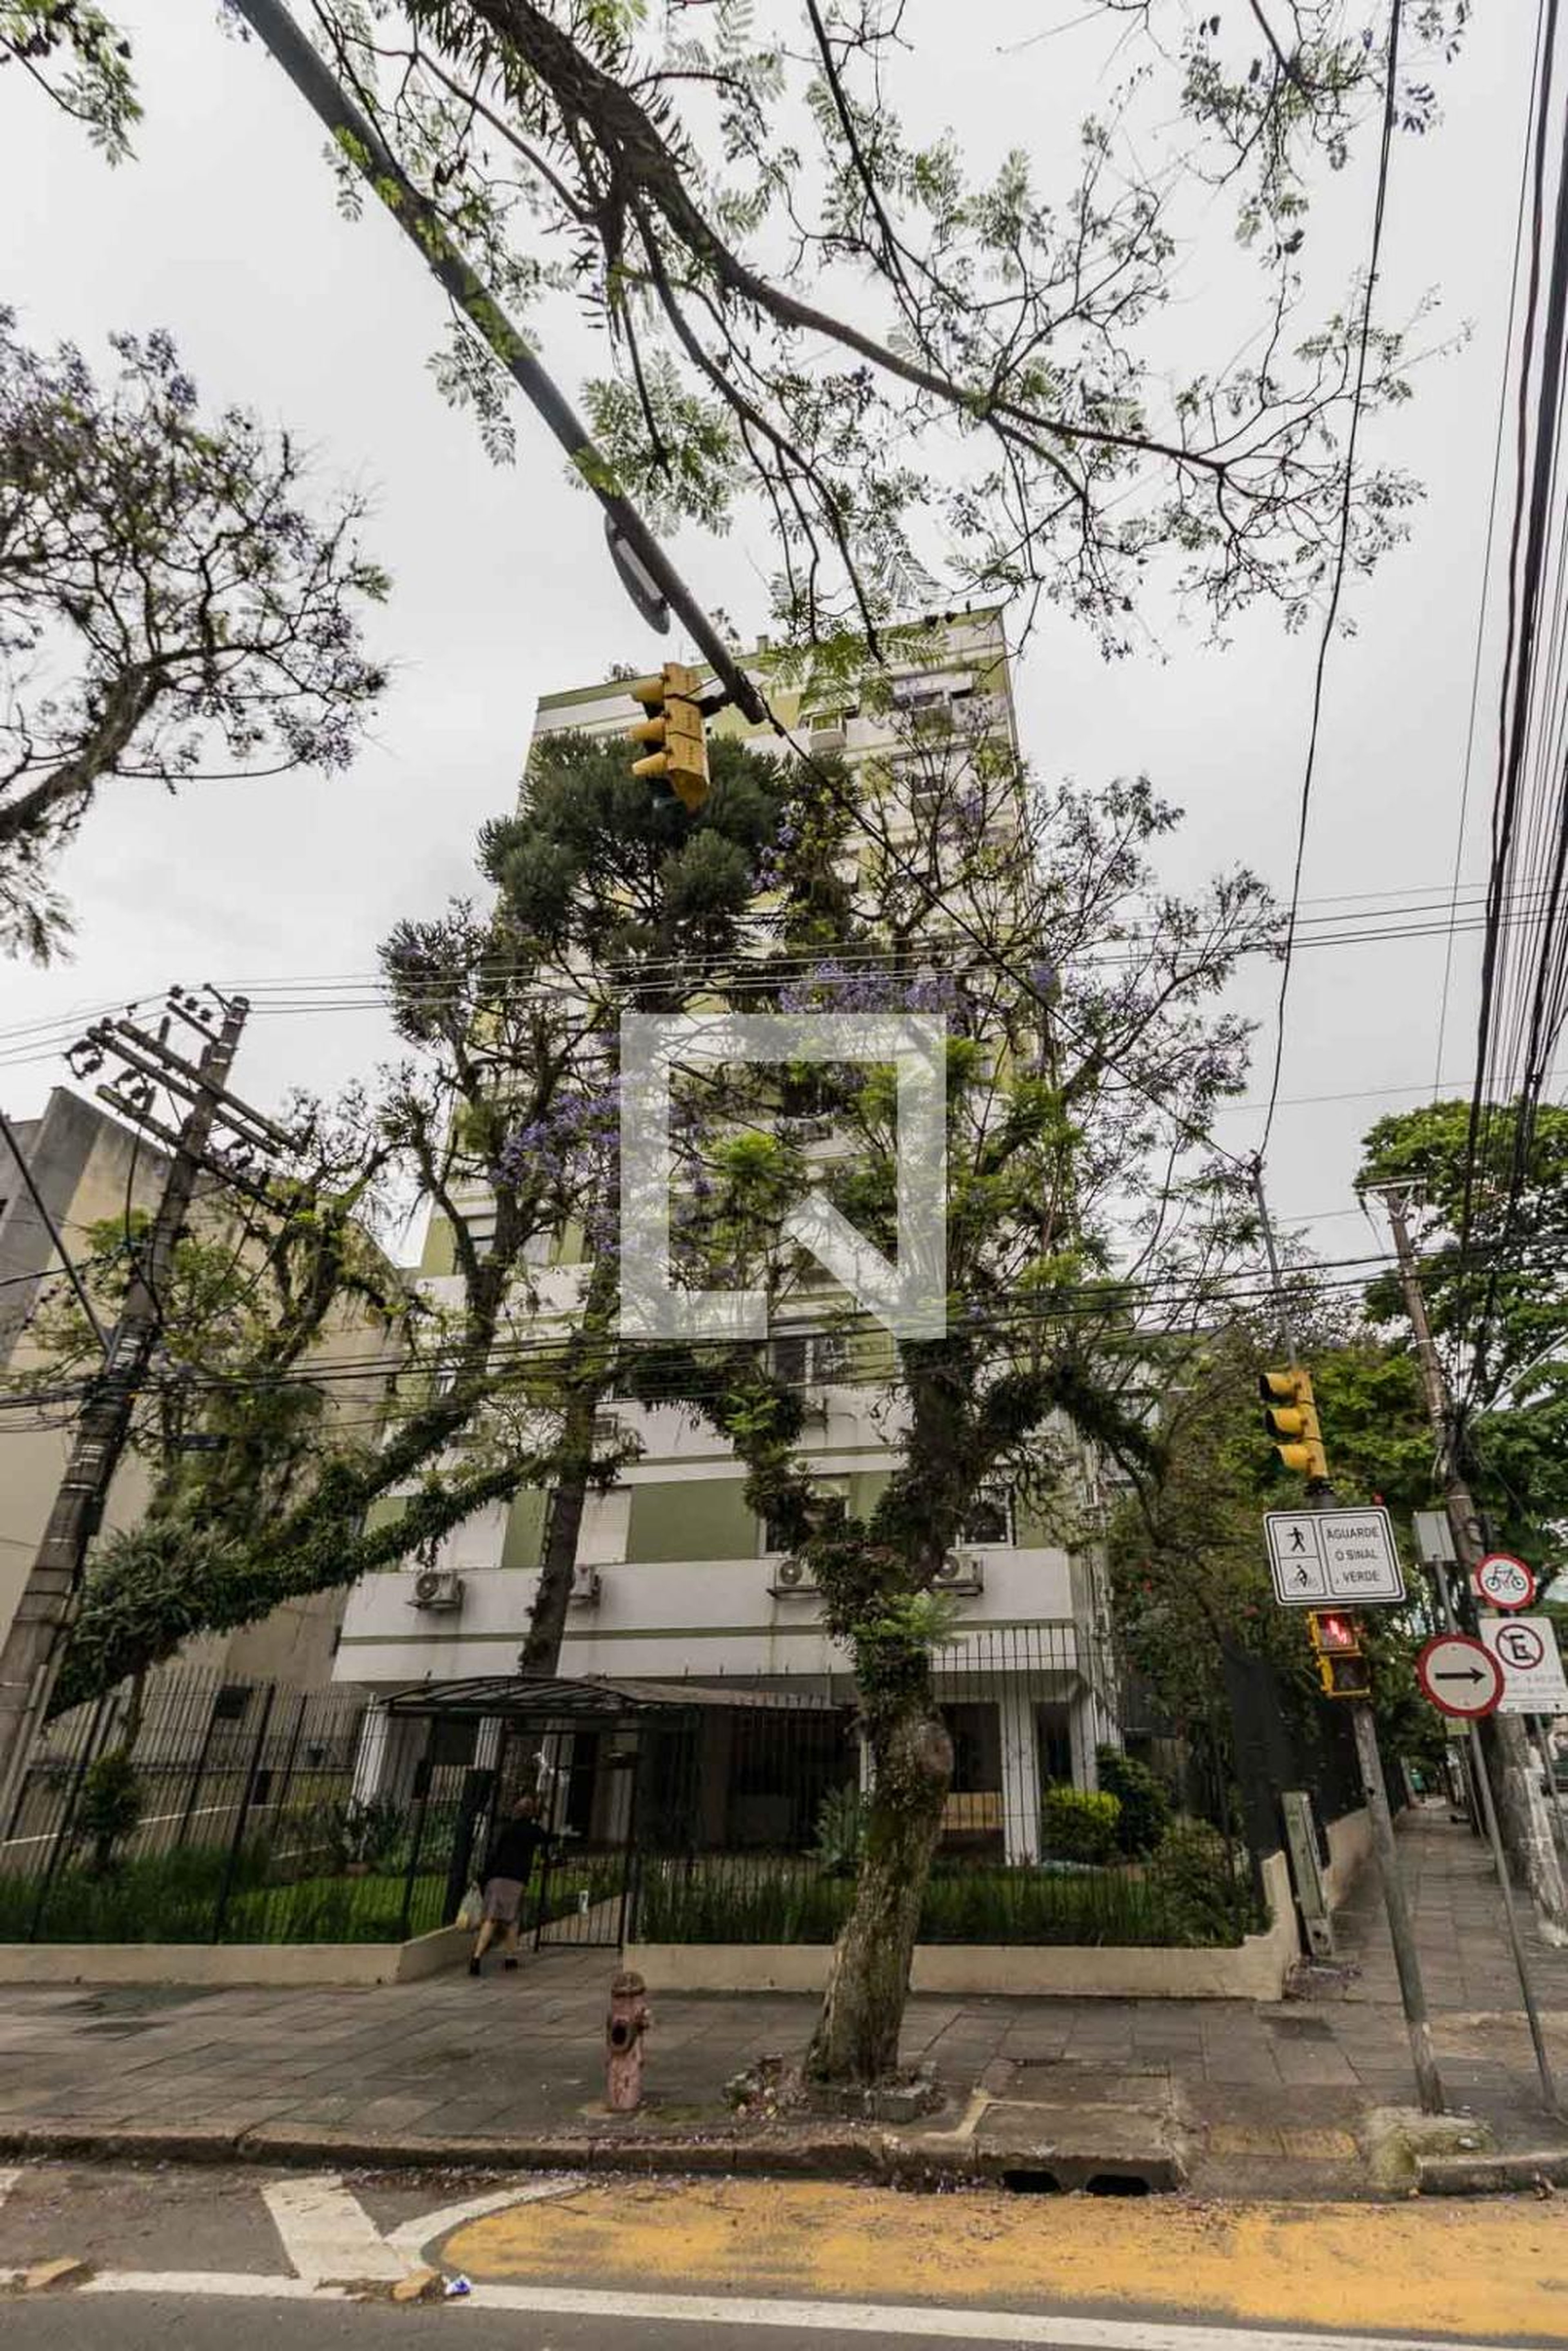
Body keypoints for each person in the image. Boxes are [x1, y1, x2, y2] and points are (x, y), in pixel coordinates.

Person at [469, 1792, 550, 1977]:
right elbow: (547, 1837)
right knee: (513, 1919)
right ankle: (510, 1957)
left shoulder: (507, 1829)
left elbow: (495, 1853)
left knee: (491, 1919)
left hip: (497, 1877)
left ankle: (477, 1956)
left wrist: (484, 1876)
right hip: (516, 1879)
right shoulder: (532, 1830)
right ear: (532, 1813)